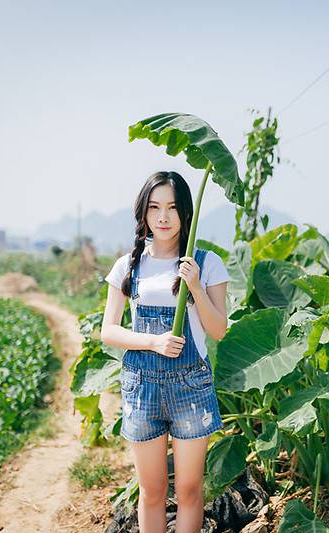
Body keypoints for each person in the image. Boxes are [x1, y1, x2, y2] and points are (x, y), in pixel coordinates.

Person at [100, 171, 230, 533]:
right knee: (152, 490)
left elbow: (218, 330)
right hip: (142, 386)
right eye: (154, 207)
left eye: (172, 207)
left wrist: (195, 287)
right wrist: (154, 342)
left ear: (186, 212)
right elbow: (108, 330)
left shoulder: (207, 262)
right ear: (143, 212)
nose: (163, 216)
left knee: (189, 490)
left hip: (191, 386)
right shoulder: (127, 266)